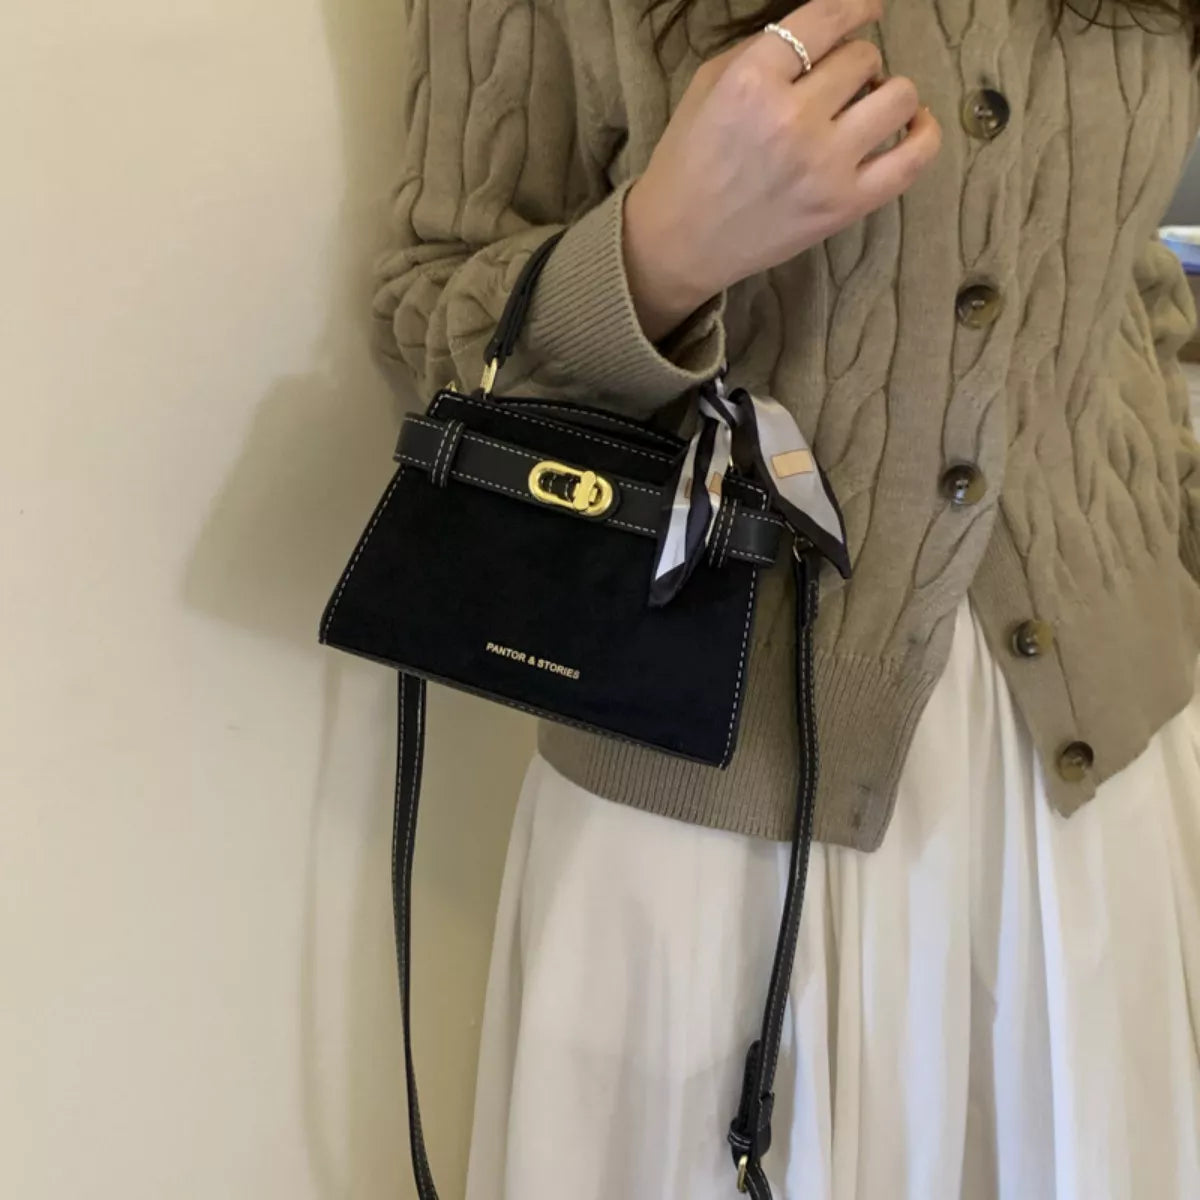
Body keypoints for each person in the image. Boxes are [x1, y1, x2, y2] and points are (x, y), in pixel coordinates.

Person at [373, 0, 1200, 1196]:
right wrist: (661, 250)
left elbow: (1129, 287)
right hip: (716, 802)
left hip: (1107, 790)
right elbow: (431, 322)